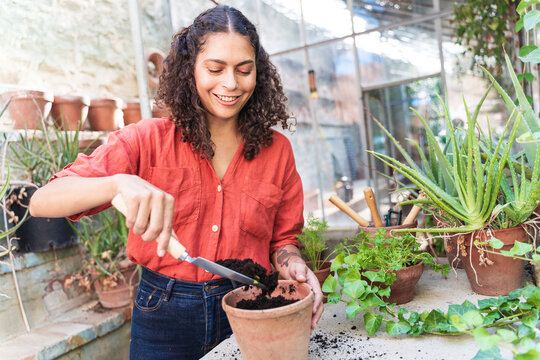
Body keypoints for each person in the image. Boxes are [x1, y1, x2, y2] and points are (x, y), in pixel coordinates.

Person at [29, 5, 323, 360]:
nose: (230, 83)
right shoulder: (148, 139)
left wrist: (293, 264)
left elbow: (283, 240)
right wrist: (117, 183)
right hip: (163, 312)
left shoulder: (277, 151)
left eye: (244, 70)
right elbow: (43, 200)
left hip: (249, 305)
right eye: (215, 69)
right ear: (190, 70)